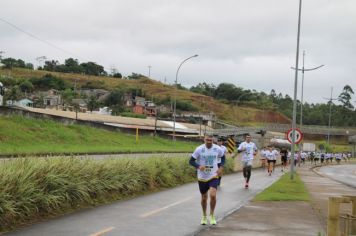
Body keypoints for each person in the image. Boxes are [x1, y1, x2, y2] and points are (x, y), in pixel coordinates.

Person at [189, 134, 225, 225]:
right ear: (204, 140)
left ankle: (212, 215)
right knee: (204, 198)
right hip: (202, 177)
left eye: (210, 140)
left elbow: (223, 157)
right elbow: (191, 161)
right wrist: (198, 166)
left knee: (213, 195)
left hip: (213, 175)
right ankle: (204, 216)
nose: (209, 141)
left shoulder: (217, 149)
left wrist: (221, 167)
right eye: (207, 140)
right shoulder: (199, 149)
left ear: (213, 140)